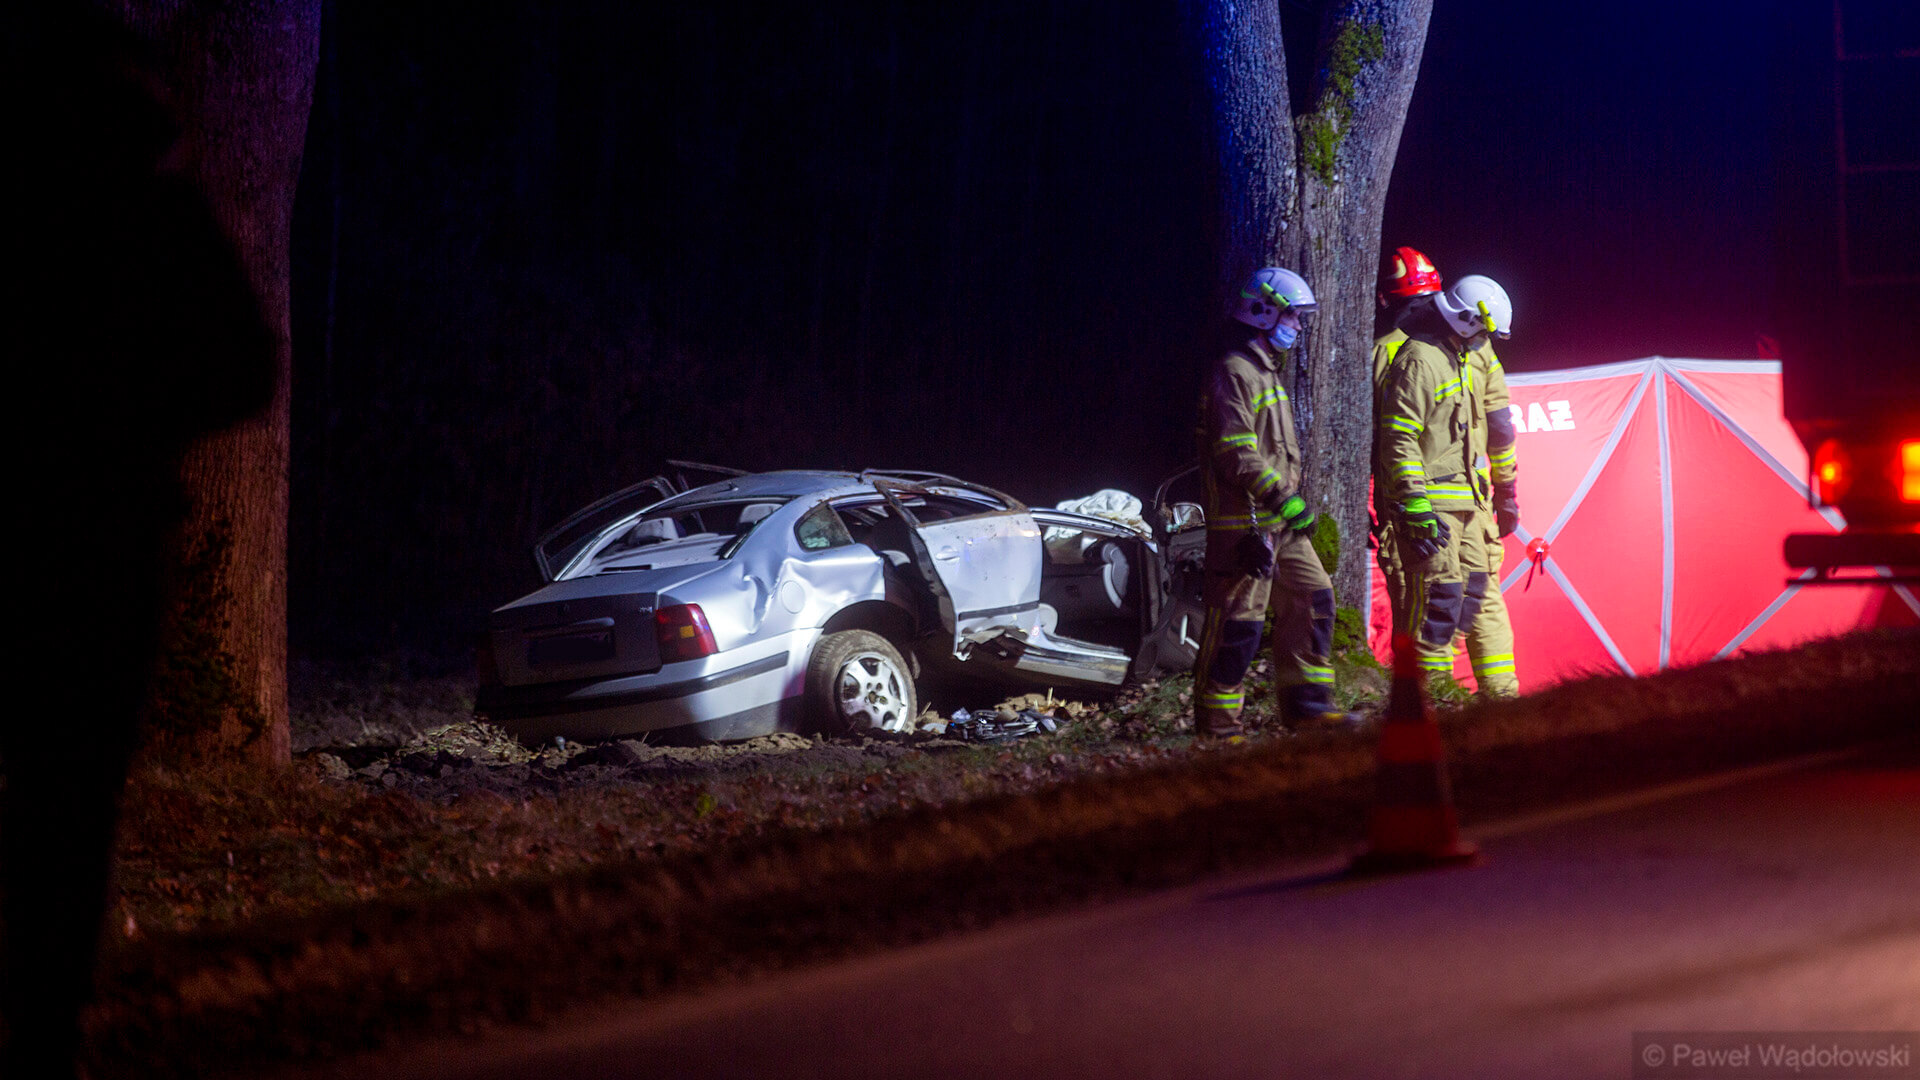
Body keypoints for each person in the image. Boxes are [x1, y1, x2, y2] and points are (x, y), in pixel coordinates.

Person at [1191, 267, 1353, 736]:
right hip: (1244, 530)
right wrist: (1286, 497)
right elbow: (1235, 454)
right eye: (1292, 317)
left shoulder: (1266, 373)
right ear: (1262, 312)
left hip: (1279, 526)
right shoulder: (1233, 372)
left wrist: (1287, 507)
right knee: (1237, 629)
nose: (1297, 327)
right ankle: (1218, 730)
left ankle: (1309, 712)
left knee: (1315, 598)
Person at [1374, 272, 1514, 682]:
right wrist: (1414, 503)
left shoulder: (1461, 355)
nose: (1484, 341)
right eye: (1482, 332)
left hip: (1468, 503)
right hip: (1432, 508)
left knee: (1478, 597)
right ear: (1466, 321)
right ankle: (1430, 700)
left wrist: (1500, 494)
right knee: (1438, 600)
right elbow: (1398, 439)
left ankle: (1501, 701)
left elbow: (1491, 426)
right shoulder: (1420, 360)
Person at [1369, 247, 1445, 640]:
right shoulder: (1458, 348)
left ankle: (1420, 693)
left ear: (1385, 297)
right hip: (1464, 504)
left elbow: (1382, 438)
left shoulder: (1383, 351)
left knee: (1411, 598)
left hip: (1404, 499)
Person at [1462, 331, 1522, 698]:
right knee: (1482, 595)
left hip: (1411, 504)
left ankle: (1425, 696)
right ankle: (1502, 698)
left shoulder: (1382, 349)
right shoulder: (1479, 349)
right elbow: (1500, 427)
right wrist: (1507, 493)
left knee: (1427, 599)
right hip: (1475, 500)